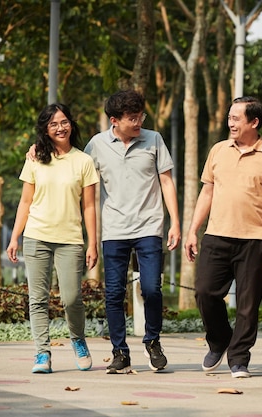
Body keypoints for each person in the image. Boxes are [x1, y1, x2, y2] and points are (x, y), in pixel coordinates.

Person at [184, 96, 262, 379]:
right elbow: (207, 192)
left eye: (236, 118)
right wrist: (193, 230)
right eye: (229, 117)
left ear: (254, 122)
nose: (230, 123)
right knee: (204, 292)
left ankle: (239, 358)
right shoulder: (218, 151)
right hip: (216, 235)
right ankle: (219, 340)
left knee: (247, 303)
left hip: (255, 239)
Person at [83, 90, 181, 374]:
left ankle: (153, 341)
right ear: (114, 120)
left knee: (151, 288)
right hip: (113, 229)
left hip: (149, 226)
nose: (138, 122)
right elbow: (80, 177)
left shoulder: (154, 140)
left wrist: (175, 221)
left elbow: (167, 182)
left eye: (141, 116)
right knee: (114, 293)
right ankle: (120, 352)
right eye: (132, 118)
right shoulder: (97, 145)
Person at [7, 103, 99, 374]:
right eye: (53, 124)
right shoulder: (35, 158)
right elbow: (25, 202)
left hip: (70, 239)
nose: (60, 127)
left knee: (72, 298)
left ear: (71, 124)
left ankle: (78, 341)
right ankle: (42, 354)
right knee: (37, 299)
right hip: (36, 236)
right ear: (45, 130)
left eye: (64, 122)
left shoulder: (84, 161)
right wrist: (14, 238)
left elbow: (90, 207)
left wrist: (92, 242)